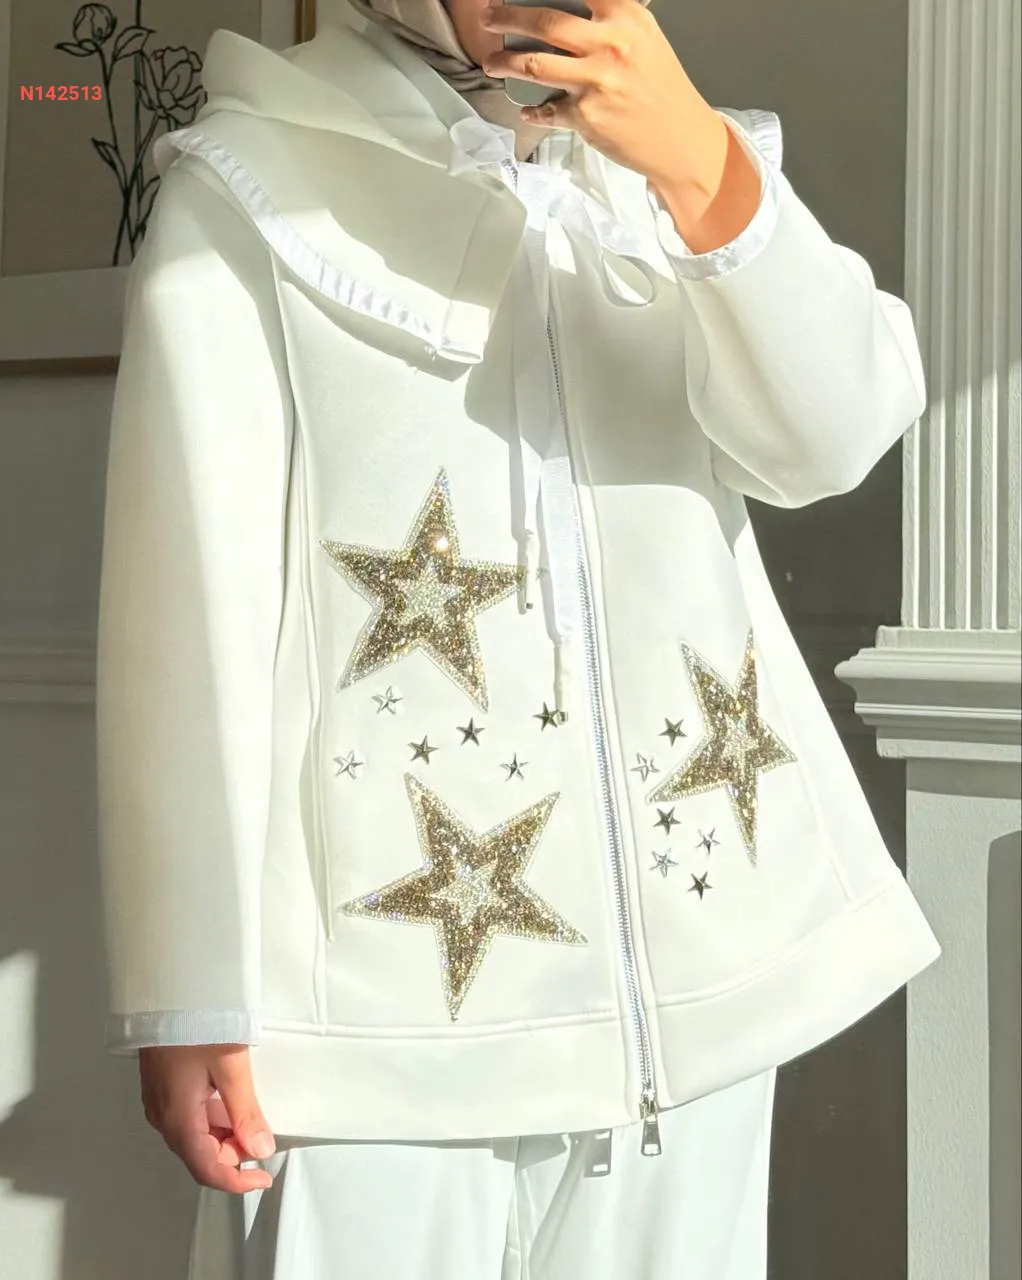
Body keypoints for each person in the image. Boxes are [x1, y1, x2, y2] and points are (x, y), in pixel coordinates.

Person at [94, 1, 942, 1276]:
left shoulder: (661, 176)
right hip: (377, 1027)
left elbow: (830, 440)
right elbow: (186, 608)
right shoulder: (252, 185)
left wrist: (698, 162)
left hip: (700, 988)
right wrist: (186, 984)